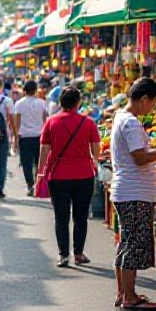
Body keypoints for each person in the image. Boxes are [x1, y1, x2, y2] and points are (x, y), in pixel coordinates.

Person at [110, 77, 156, 311]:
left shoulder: (122, 117)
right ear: (144, 99)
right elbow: (140, 158)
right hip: (134, 192)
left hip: (126, 190)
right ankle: (129, 296)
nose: (153, 109)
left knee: (126, 242)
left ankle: (124, 293)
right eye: (153, 103)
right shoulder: (131, 123)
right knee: (134, 244)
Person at [37, 86, 101, 268]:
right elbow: (96, 147)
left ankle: (63, 255)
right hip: (84, 175)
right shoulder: (88, 122)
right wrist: (94, 160)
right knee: (80, 217)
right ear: (78, 102)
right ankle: (79, 253)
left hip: (58, 176)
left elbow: (44, 149)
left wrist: (41, 171)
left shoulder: (51, 122)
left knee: (61, 217)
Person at [14, 80, 50, 196]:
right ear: (35, 90)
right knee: (39, 162)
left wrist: (15, 138)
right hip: (39, 136)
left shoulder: (19, 103)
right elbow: (46, 120)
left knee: (26, 163)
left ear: (24, 90)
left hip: (24, 137)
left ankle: (30, 185)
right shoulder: (42, 103)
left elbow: (17, 121)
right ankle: (37, 184)